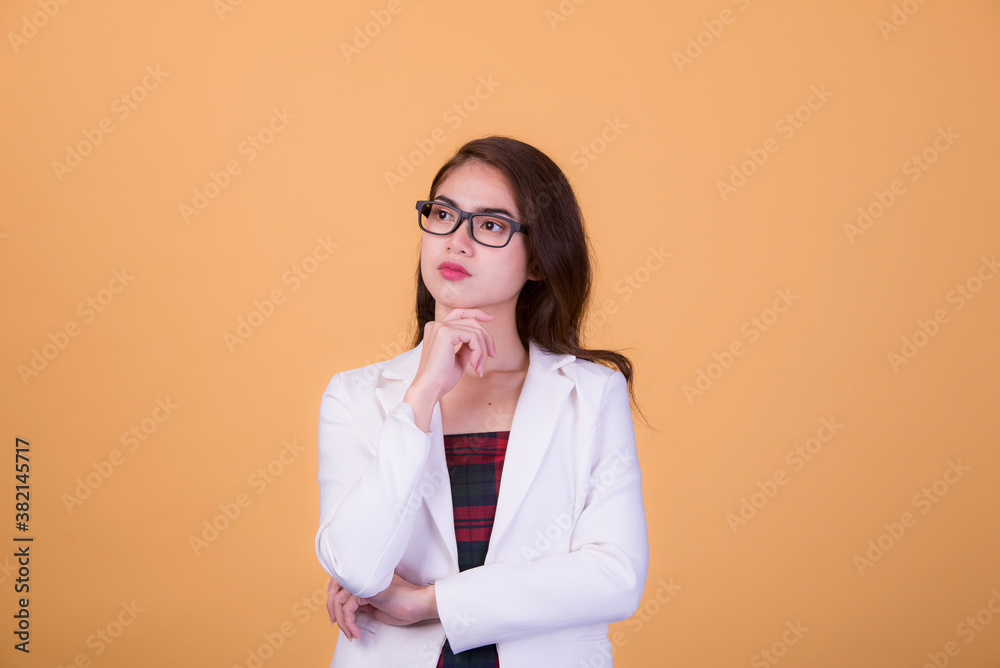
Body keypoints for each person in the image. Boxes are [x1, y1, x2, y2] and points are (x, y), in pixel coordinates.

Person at [315, 136, 649, 667]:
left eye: (491, 225)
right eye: (443, 214)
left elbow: (615, 577)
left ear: (539, 260)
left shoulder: (589, 394)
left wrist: (430, 602)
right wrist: (421, 396)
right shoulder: (354, 396)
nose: (456, 242)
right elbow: (356, 568)